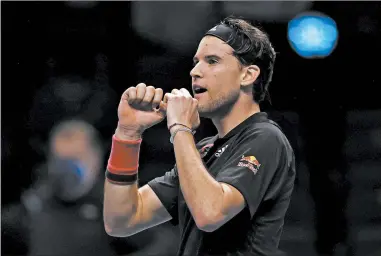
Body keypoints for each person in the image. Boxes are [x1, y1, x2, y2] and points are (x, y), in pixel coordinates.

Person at [104, 17, 296, 256]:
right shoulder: (204, 152)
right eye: (195, 62)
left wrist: (181, 129)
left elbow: (210, 213)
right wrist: (127, 134)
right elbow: (121, 220)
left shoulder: (266, 137)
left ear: (248, 75)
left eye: (212, 61)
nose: (194, 71)